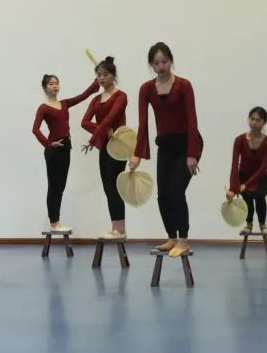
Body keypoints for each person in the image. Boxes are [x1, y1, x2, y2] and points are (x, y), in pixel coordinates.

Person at [129, 43, 202, 258]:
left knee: (176, 191)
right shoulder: (146, 89)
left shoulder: (183, 85)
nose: (161, 66)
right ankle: (172, 237)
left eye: (165, 61)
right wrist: (138, 153)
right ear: (151, 65)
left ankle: (183, 239)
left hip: (186, 143)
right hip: (166, 146)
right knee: (162, 195)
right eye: (156, 63)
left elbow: (192, 119)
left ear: (171, 60)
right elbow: (143, 123)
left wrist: (192, 153)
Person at [33, 74, 98, 232]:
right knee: (54, 186)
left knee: (61, 186)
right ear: (45, 87)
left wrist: (96, 82)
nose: (54, 86)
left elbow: (82, 96)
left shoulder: (64, 103)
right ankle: (54, 223)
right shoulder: (43, 108)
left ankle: (56, 222)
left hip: (66, 146)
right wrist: (49, 144)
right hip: (54, 149)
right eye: (51, 83)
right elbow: (35, 129)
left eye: (56, 83)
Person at [80, 58, 128, 239]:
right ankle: (115, 227)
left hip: (118, 147)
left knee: (115, 187)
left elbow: (110, 119)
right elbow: (84, 122)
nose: (101, 78)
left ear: (113, 76)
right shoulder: (96, 99)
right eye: (98, 75)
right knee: (108, 187)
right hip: (104, 146)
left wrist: (94, 138)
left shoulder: (121, 96)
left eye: (105, 74)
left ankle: (121, 229)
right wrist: (101, 131)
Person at [226, 107, 267, 234]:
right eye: (252, 119)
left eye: (258, 120)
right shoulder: (239, 140)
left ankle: (263, 225)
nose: (254, 122)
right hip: (243, 177)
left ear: (264, 122)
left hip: (261, 178)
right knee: (247, 198)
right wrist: (233, 188)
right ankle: (249, 224)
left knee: (259, 197)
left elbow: (263, 168)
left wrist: (245, 185)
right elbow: (234, 165)